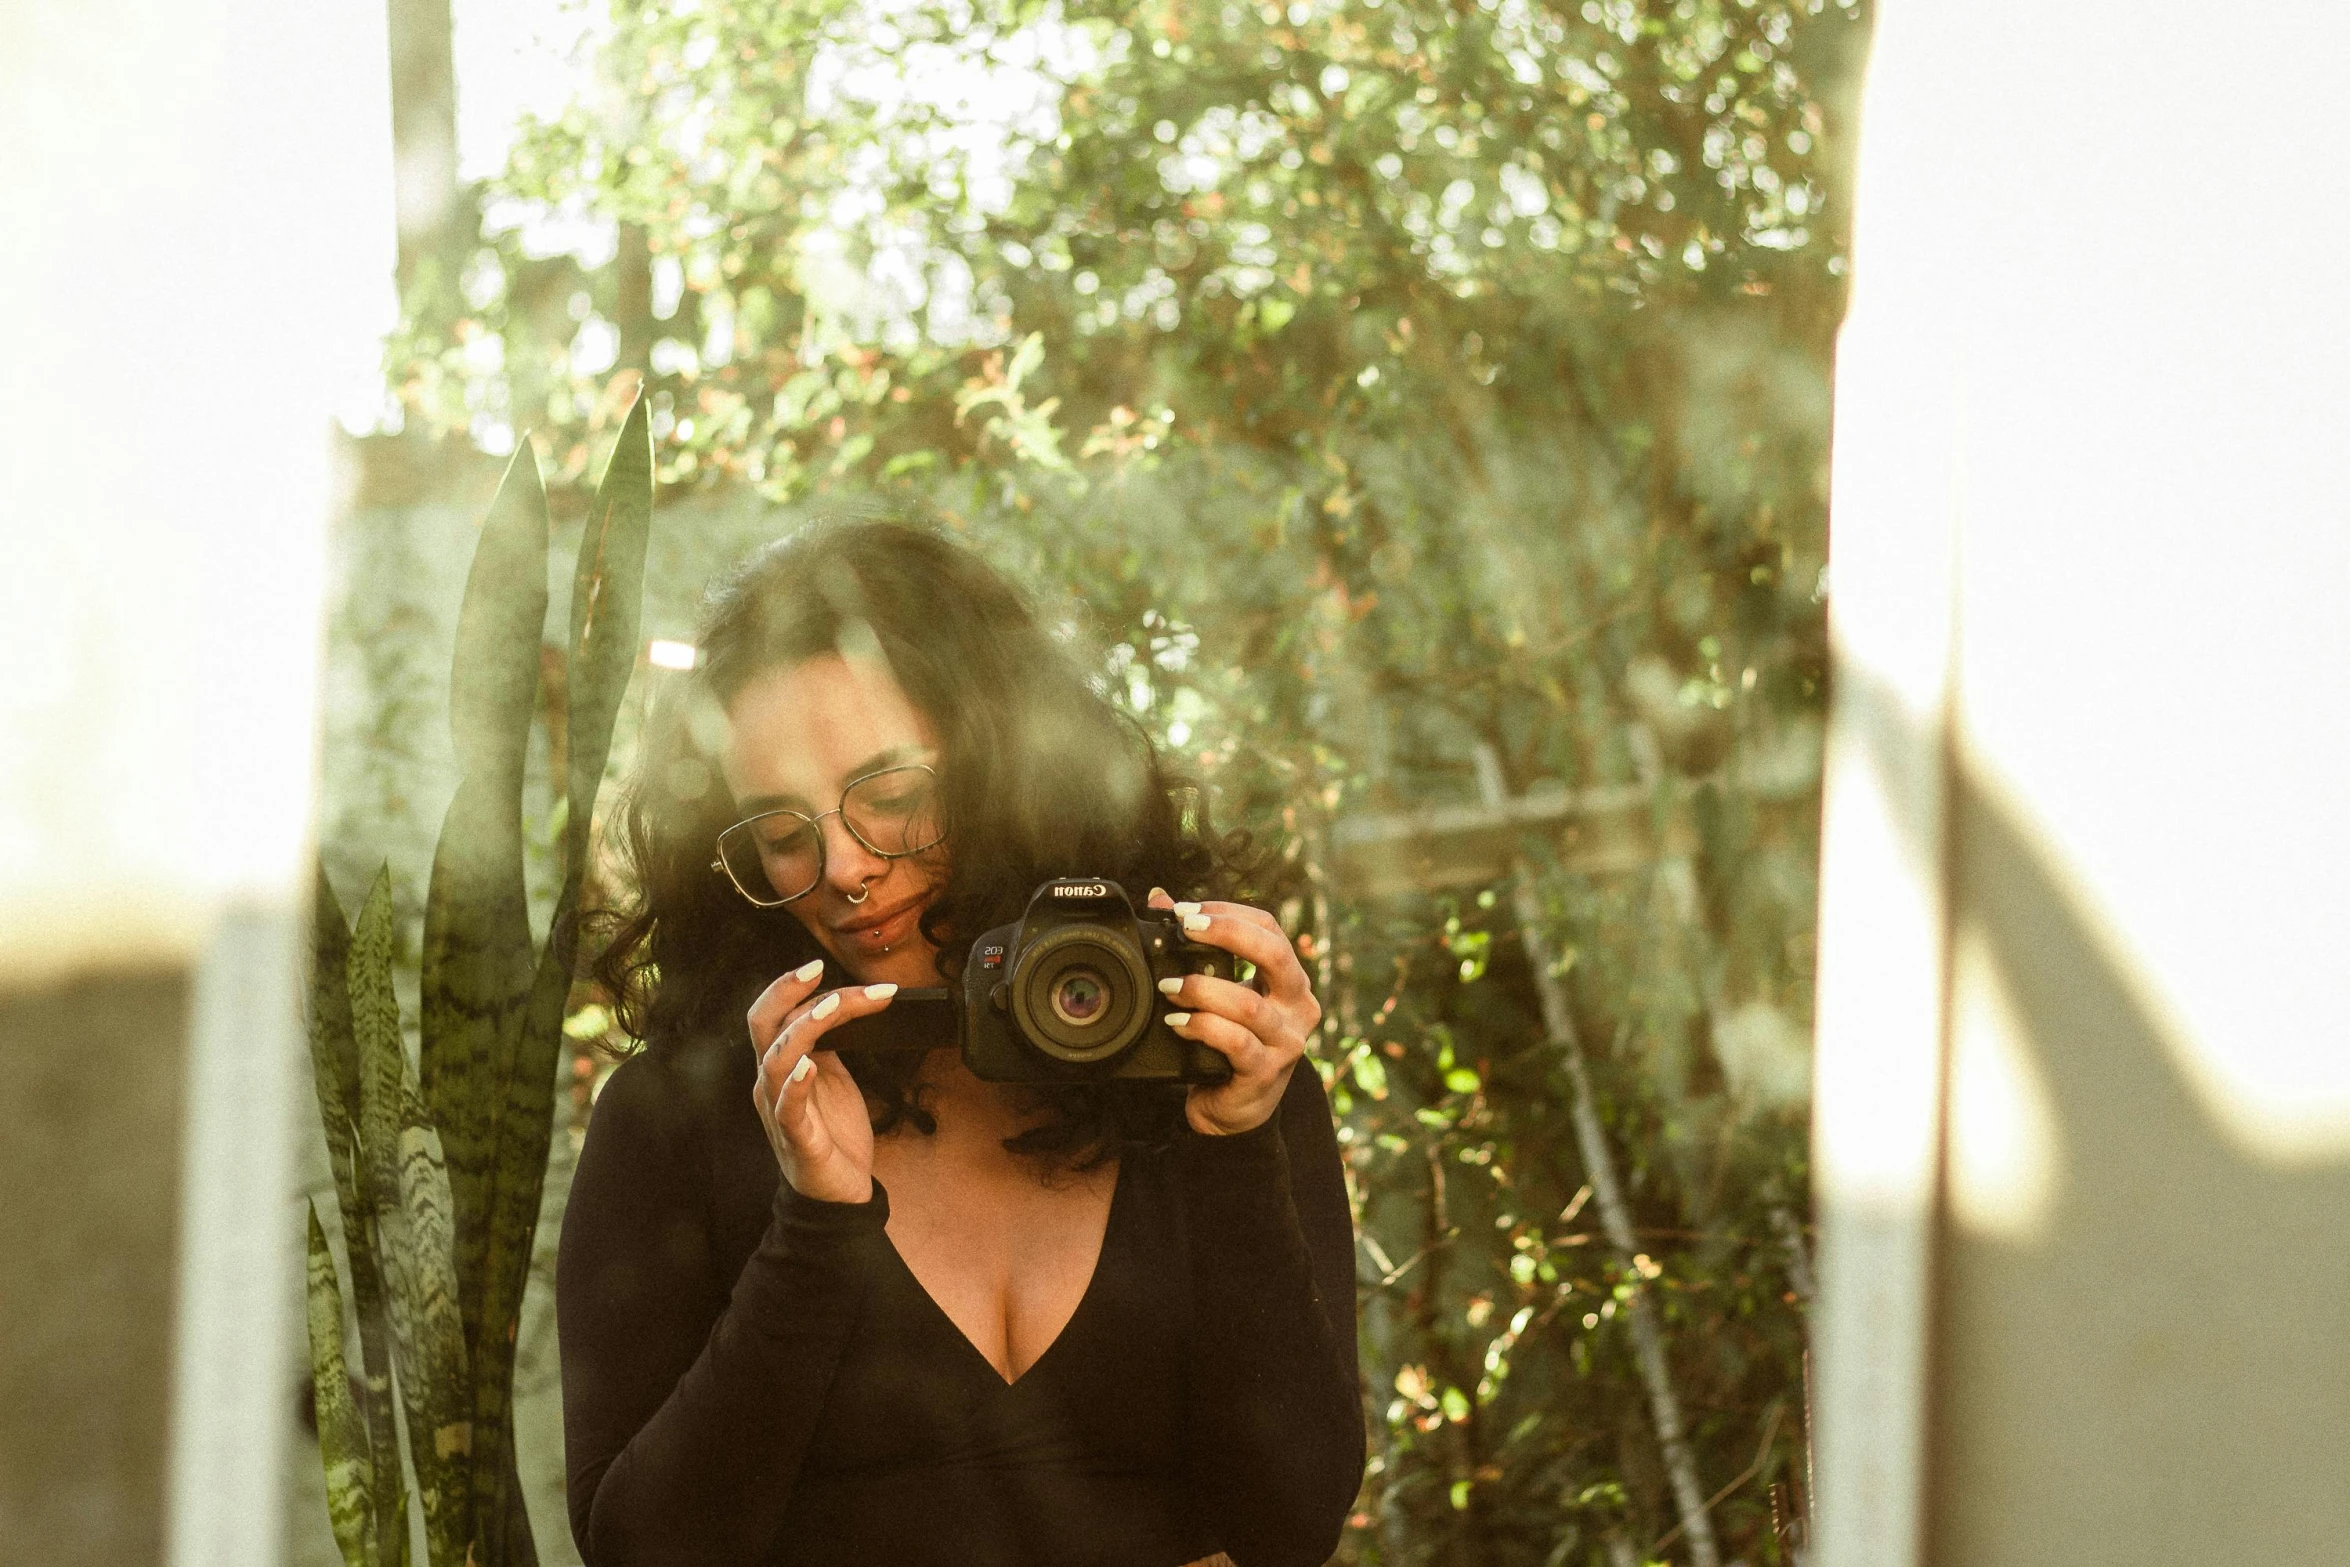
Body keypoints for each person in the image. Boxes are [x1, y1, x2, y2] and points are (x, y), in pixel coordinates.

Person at [557, 522, 1365, 1567]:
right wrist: (813, 1227)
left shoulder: (1203, 1072)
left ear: (1006, 761)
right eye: (782, 831)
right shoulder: (686, 1115)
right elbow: (640, 1554)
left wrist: (1237, 1146)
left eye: (891, 797)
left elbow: (1287, 1520)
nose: (842, 867)